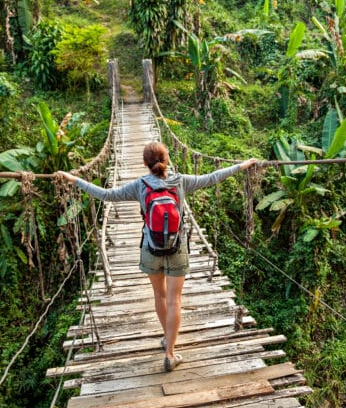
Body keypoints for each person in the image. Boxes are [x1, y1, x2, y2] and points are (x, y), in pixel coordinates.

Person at [56, 142, 257, 371]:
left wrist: (75, 180)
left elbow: (107, 195)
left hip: (150, 247)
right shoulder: (180, 181)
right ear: (167, 160)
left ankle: (166, 337)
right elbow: (212, 177)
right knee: (175, 300)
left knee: (159, 295)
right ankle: (170, 352)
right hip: (177, 247)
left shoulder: (140, 185)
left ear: (144, 163)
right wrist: (242, 166)